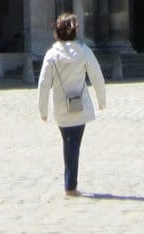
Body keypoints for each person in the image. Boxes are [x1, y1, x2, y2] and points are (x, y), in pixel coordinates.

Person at [37, 12, 107, 197]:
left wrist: (42, 110)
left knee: (68, 141)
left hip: (60, 106)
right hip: (79, 105)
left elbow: (44, 83)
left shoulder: (52, 54)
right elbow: (97, 76)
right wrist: (102, 101)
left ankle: (70, 183)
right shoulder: (84, 51)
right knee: (73, 143)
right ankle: (70, 185)